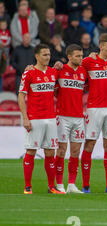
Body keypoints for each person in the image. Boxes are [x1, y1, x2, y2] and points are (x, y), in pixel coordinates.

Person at [78, 33, 107, 193]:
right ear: (101, 47)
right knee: (90, 143)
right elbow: (72, 67)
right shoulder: (89, 61)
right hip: (94, 109)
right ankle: (85, 185)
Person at [18, 44, 63, 194]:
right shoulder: (29, 73)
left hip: (50, 118)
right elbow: (21, 96)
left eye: (49, 54)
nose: (47, 57)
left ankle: (51, 187)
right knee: (30, 151)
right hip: (35, 118)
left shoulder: (53, 72)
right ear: (36, 56)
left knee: (50, 153)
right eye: (44, 55)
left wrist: (60, 64)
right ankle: (27, 187)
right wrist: (25, 118)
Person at [53, 44, 88, 194]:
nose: (81, 58)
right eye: (77, 56)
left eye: (81, 56)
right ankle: (59, 184)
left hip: (79, 117)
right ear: (69, 56)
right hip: (63, 116)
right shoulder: (59, 70)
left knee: (75, 151)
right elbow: (51, 88)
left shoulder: (83, 72)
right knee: (61, 150)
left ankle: (72, 184)